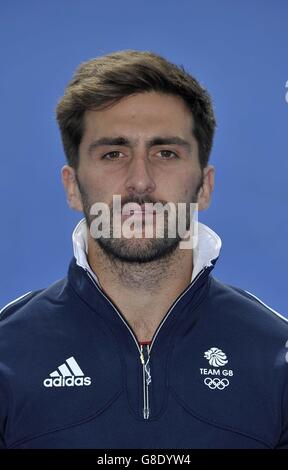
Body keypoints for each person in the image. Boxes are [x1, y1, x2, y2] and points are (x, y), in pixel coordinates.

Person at [0, 50, 288, 450]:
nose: (139, 181)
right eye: (113, 154)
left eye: (165, 153)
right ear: (72, 186)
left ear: (204, 186)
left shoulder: (277, 356)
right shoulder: (7, 352)